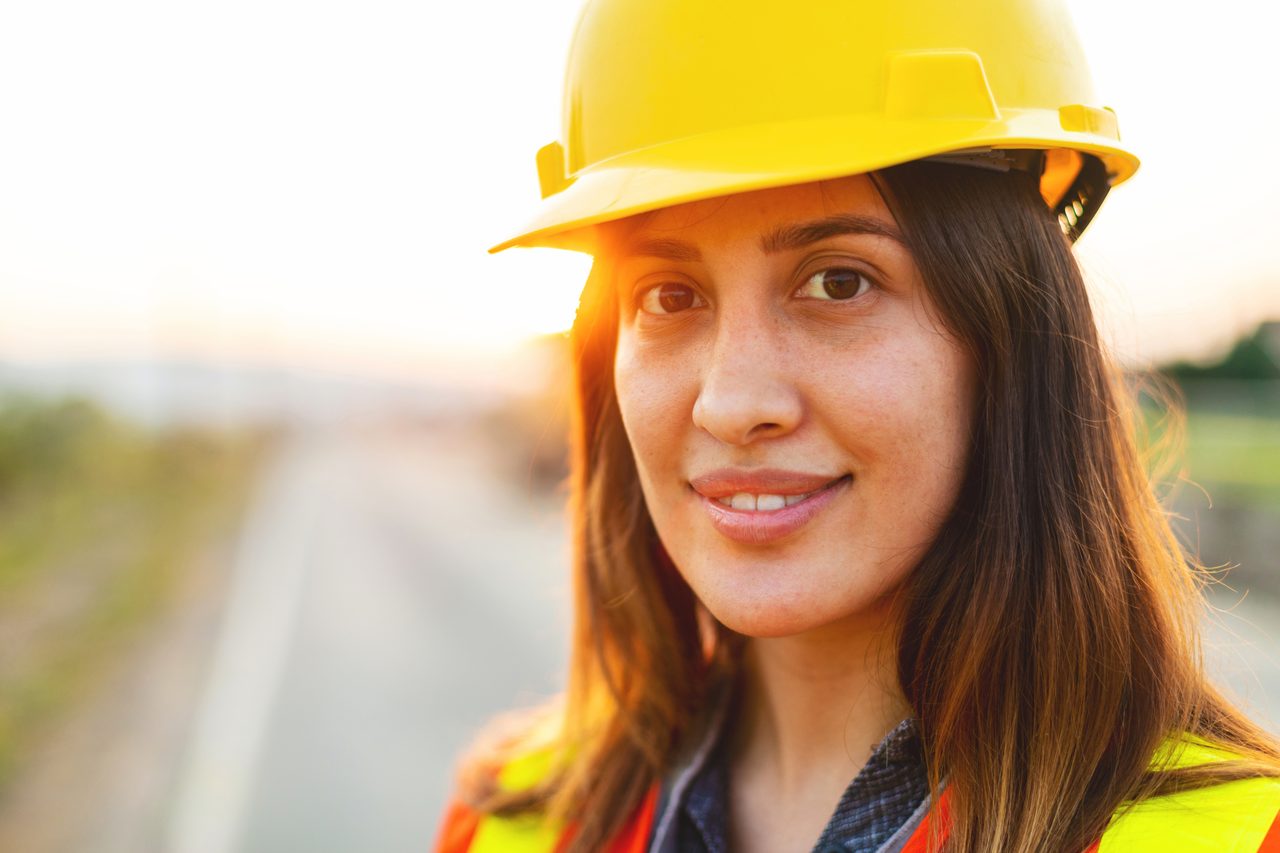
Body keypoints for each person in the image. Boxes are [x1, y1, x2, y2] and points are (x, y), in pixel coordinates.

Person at [437, 0, 1280, 850]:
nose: (731, 402)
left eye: (839, 282)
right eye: (669, 296)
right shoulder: (513, 821)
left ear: (1013, 344)